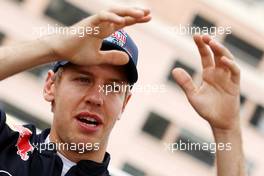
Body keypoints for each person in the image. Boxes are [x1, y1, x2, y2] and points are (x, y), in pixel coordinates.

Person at [0, 6, 245, 176]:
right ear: (51, 86)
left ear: (124, 104)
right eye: (83, 80)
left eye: (113, 87)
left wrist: (227, 130)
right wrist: (53, 47)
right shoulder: (6, 147)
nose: (96, 98)